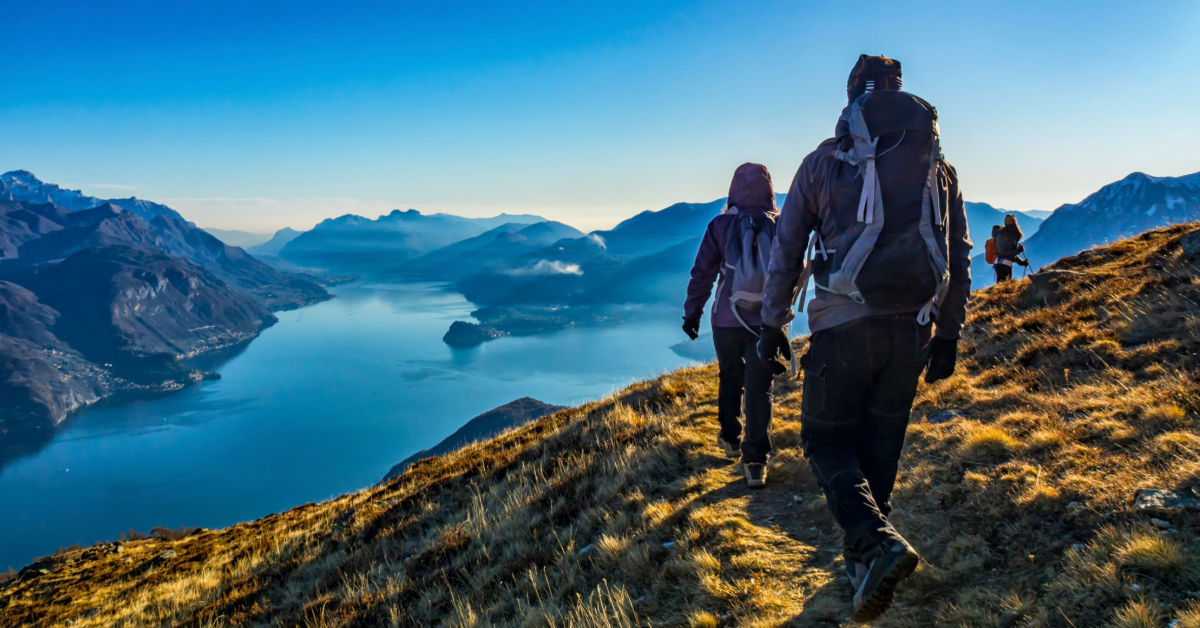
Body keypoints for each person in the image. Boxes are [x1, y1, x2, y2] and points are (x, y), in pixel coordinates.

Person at [756, 55, 971, 621]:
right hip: (914, 328)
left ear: (852, 98)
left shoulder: (825, 163)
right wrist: (948, 333)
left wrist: (773, 323)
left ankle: (876, 548)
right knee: (879, 447)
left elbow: (786, 250)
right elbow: (959, 253)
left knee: (826, 442)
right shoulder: (938, 168)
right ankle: (866, 570)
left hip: (843, 326)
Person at [683, 162, 778, 489]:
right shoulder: (779, 227)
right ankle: (756, 461)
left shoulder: (719, 226)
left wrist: (692, 314)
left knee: (730, 377)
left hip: (726, 318)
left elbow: (702, 274)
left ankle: (729, 436)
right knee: (759, 386)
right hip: (766, 320)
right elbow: (789, 273)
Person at [993, 213, 1029, 282]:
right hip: (1003, 266)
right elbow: (1003, 252)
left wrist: (1022, 262)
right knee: (1004, 289)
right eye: (1013, 221)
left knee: (1002, 289)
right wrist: (1018, 251)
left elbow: (1008, 253)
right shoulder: (1004, 234)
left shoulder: (1007, 234)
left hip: (1002, 265)